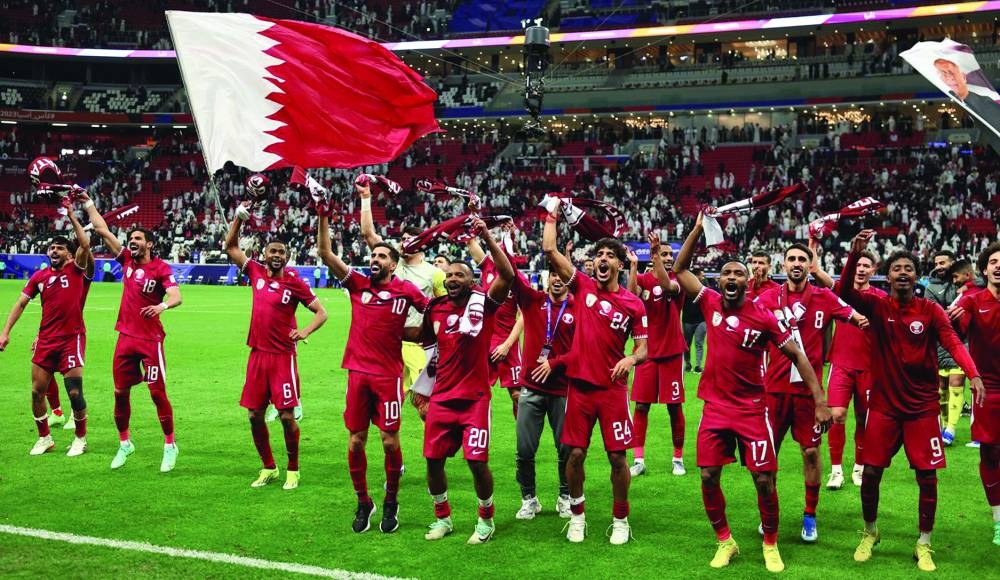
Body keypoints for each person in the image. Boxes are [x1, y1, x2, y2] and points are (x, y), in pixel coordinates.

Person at [674, 213, 830, 573]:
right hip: (715, 408)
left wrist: (820, 400)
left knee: (763, 479)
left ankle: (771, 542)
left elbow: (797, 354)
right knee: (709, 476)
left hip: (752, 409)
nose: (731, 278)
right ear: (719, 279)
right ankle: (725, 540)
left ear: (749, 280)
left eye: (738, 274)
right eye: (726, 273)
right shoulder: (709, 301)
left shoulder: (763, 316)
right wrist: (697, 229)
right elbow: (681, 270)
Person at [840, 230, 984, 572]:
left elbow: (952, 342)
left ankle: (924, 542)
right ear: (887, 276)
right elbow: (844, 292)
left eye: (908, 268)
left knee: (927, 477)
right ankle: (870, 531)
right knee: (872, 472)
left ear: (915, 276)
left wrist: (973, 374)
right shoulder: (876, 305)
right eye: (896, 268)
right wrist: (853, 254)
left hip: (921, 409)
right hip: (885, 409)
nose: (902, 272)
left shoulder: (930, 310)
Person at [542, 200, 648, 545]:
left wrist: (631, 360)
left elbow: (644, 347)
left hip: (613, 390)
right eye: (598, 254)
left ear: (619, 263)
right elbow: (549, 249)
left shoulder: (634, 304)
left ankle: (621, 519)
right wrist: (553, 213)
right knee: (574, 454)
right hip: (581, 389)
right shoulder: (582, 287)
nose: (602, 259)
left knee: (618, 456)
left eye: (609, 255)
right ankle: (577, 515)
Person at [317, 210, 426, 534]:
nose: (375, 258)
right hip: (357, 374)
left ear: (393, 264)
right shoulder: (357, 283)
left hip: (388, 377)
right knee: (355, 441)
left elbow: (434, 314)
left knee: (390, 442)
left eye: (381, 255)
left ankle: (391, 501)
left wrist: (416, 335)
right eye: (373, 254)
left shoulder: (406, 291)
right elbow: (325, 253)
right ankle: (364, 501)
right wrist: (325, 216)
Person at [754, 243, 861, 543]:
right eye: (791, 259)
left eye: (803, 258)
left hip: (808, 394)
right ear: (784, 264)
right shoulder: (767, 298)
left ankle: (810, 515)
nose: (797, 263)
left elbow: (858, 316)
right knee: (767, 456)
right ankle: (768, 514)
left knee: (811, 452)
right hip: (773, 391)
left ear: (810, 264)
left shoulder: (825, 297)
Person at [419, 218, 514, 545]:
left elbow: (508, 275)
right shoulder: (436, 309)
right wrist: (422, 391)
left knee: (477, 462)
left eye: (460, 274)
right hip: (442, 400)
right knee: (433, 462)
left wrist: (485, 234)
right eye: (449, 276)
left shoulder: (484, 304)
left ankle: (486, 519)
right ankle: (442, 518)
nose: (453, 278)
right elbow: (428, 350)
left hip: (475, 399)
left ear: (472, 281)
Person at [225, 203, 328, 491]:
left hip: (283, 357)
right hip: (257, 355)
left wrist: (304, 331)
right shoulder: (255, 271)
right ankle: (269, 467)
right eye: (273, 251)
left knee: (286, 416)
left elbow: (321, 312)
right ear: (265, 254)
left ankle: (293, 469)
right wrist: (238, 218)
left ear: (288, 257)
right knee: (254, 415)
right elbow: (230, 246)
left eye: (282, 252)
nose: (277, 256)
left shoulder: (295, 282)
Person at [82, 192, 184, 472]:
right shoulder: (126, 260)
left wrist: (161, 306)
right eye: (131, 239)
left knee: (157, 393)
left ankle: (169, 445)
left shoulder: (161, 268)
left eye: (138, 239)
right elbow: (102, 229)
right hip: (125, 339)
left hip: (151, 340)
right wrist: (88, 202)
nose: (132, 242)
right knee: (119, 393)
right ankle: (125, 443)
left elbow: (176, 296)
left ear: (149, 244)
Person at [0, 205, 93, 457]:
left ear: (69, 254)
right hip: (46, 340)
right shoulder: (39, 277)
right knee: (36, 391)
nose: (54, 250)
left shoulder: (76, 270)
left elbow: (85, 246)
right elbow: (20, 303)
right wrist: (5, 332)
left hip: (71, 338)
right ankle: (44, 438)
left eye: (60, 248)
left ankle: (80, 438)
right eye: (51, 247)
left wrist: (73, 216)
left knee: (74, 391)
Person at [359, 181, 446, 399]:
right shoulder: (393, 263)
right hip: (388, 344)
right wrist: (366, 198)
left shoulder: (433, 274)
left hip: (416, 344)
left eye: (410, 239)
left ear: (422, 245)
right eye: (403, 239)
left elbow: (444, 309)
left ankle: (438, 432)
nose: (404, 242)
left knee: (423, 403)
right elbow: (368, 234)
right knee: (384, 400)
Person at [509, 265, 576, 520]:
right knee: (524, 450)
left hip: (562, 389)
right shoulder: (532, 301)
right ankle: (529, 499)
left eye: (562, 275)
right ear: (548, 279)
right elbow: (512, 275)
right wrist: (502, 241)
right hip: (531, 388)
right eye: (553, 274)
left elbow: (583, 349)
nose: (557, 279)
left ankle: (565, 497)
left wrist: (554, 363)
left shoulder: (577, 308)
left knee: (566, 449)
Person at [817, 249, 885, 489]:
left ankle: (859, 467)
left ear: (873, 270)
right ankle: (836, 471)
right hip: (842, 363)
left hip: (870, 367)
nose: (861, 268)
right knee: (837, 416)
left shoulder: (879, 298)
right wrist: (814, 242)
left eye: (866, 265)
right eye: (857, 264)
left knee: (864, 419)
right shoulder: (840, 293)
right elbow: (815, 269)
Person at [948, 242, 1000, 545]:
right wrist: (953, 320)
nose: (998, 265)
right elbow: (956, 330)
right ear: (984, 269)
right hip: (987, 388)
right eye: (993, 261)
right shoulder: (972, 300)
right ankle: (998, 519)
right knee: (990, 452)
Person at [627, 234, 687, 477]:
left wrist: (654, 254)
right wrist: (632, 267)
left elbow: (666, 286)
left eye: (670, 255)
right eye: (664, 254)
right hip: (646, 353)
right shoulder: (642, 278)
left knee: (674, 406)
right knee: (641, 406)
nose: (669, 258)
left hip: (672, 351)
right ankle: (639, 460)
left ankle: (678, 458)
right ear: (653, 258)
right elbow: (631, 296)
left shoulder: (677, 280)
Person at [466, 235, 524, 418]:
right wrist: (473, 217)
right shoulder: (488, 269)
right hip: (485, 342)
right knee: (479, 394)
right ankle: (480, 438)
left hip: (509, 344)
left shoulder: (519, 279)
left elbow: (524, 316)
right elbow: (471, 243)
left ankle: (523, 440)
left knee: (518, 396)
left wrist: (507, 345)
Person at [925, 249, 966, 447]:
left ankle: (950, 429)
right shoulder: (931, 287)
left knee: (956, 381)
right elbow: (932, 312)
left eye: (943, 263)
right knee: (941, 389)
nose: (939, 266)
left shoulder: (964, 283)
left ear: (953, 263)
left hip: (961, 339)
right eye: (937, 263)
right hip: (940, 341)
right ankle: (943, 424)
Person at [682, 268, 707, 373]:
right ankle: (688, 364)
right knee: (686, 344)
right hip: (687, 319)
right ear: (696, 276)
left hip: (701, 320)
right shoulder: (685, 288)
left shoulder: (705, 287)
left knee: (699, 343)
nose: (703, 277)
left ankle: (698, 366)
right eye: (702, 275)